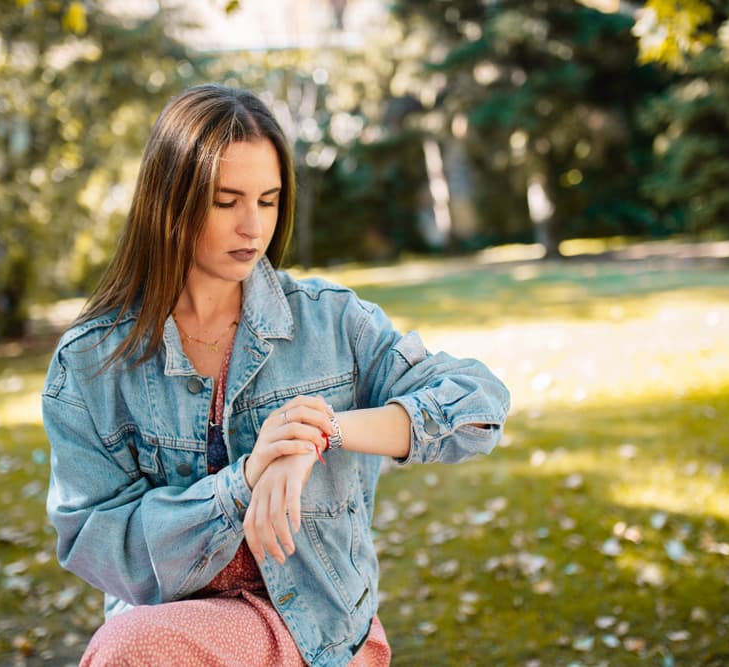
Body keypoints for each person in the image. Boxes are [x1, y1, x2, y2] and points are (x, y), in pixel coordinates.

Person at [42, 84, 510, 667]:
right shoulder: (91, 363)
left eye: (268, 200)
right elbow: (99, 544)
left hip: (317, 636)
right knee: (135, 646)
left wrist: (316, 432)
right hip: (173, 630)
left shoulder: (332, 323)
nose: (253, 227)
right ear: (170, 202)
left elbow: (478, 406)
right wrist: (241, 485)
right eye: (226, 201)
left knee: (128, 651)